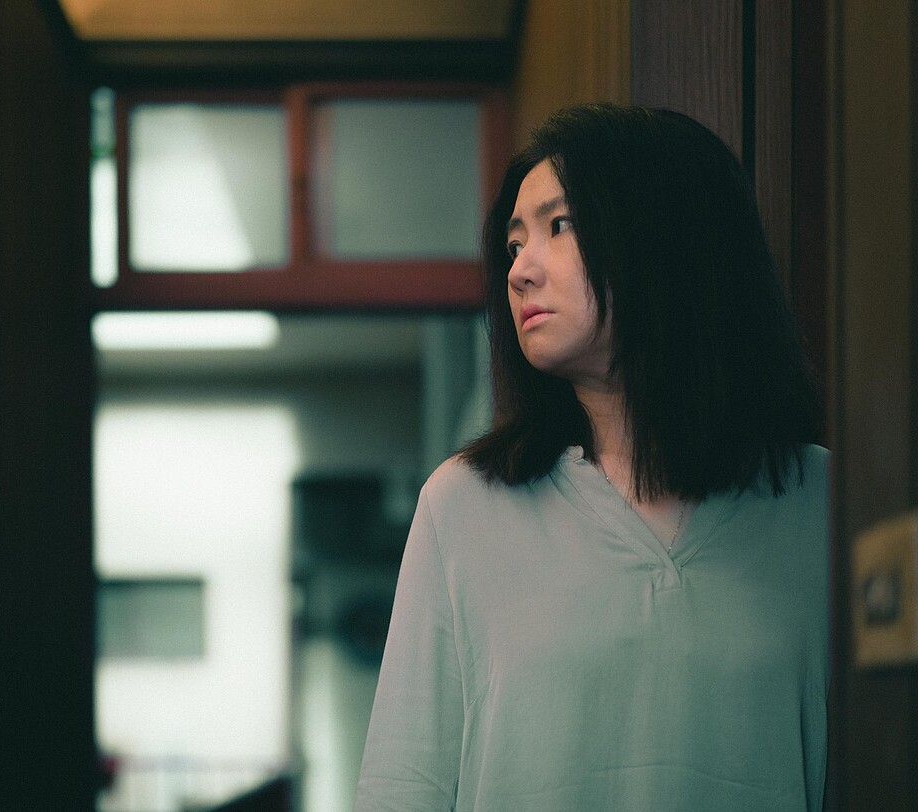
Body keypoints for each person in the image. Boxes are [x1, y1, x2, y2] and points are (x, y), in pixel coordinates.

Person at [353, 103, 828, 811]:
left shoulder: (820, 501)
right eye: (514, 244)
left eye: (560, 226)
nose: (520, 271)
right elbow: (402, 790)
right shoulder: (463, 507)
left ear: (665, 238)